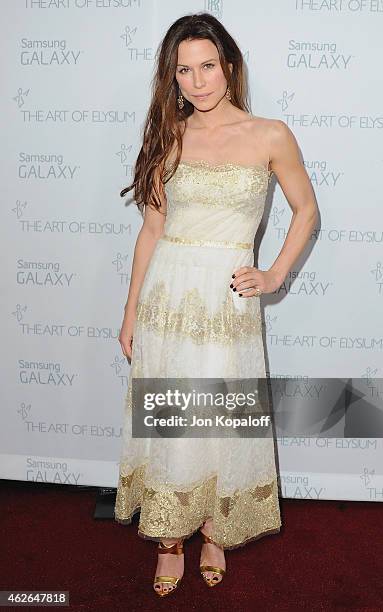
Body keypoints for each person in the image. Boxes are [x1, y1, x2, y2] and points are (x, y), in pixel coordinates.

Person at [114, 12, 318, 597]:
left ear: (228, 65)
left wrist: (275, 274)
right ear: (171, 78)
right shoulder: (168, 136)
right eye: (185, 70)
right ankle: (170, 539)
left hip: (226, 301)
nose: (198, 81)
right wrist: (130, 313)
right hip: (167, 297)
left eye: (208, 66)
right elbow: (151, 232)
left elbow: (307, 211)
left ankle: (213, 530)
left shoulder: (270, 133)